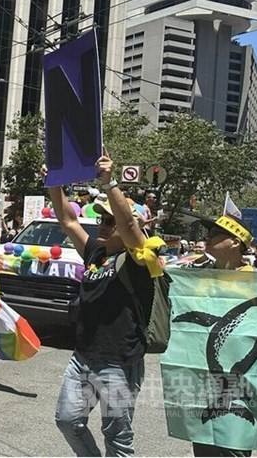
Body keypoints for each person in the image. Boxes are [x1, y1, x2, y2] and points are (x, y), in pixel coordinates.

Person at [49, 154, 162, 457]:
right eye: (102, 219)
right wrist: (54, 181)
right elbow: (67, 219)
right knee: (67, 420)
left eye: (111, 220)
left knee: (118, 439)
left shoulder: (141, 260)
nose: (104, 224)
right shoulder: (95, 251)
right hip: (83, 357)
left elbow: (127, 222)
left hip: (119, 363)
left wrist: (109, 182)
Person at [180, 214, 257, 457]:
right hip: (202, 381)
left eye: (215, 234)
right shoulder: (197, 275)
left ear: (236, 242)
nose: (207, 239)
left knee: (233, 448)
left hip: (243, 384)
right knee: (204, 446)